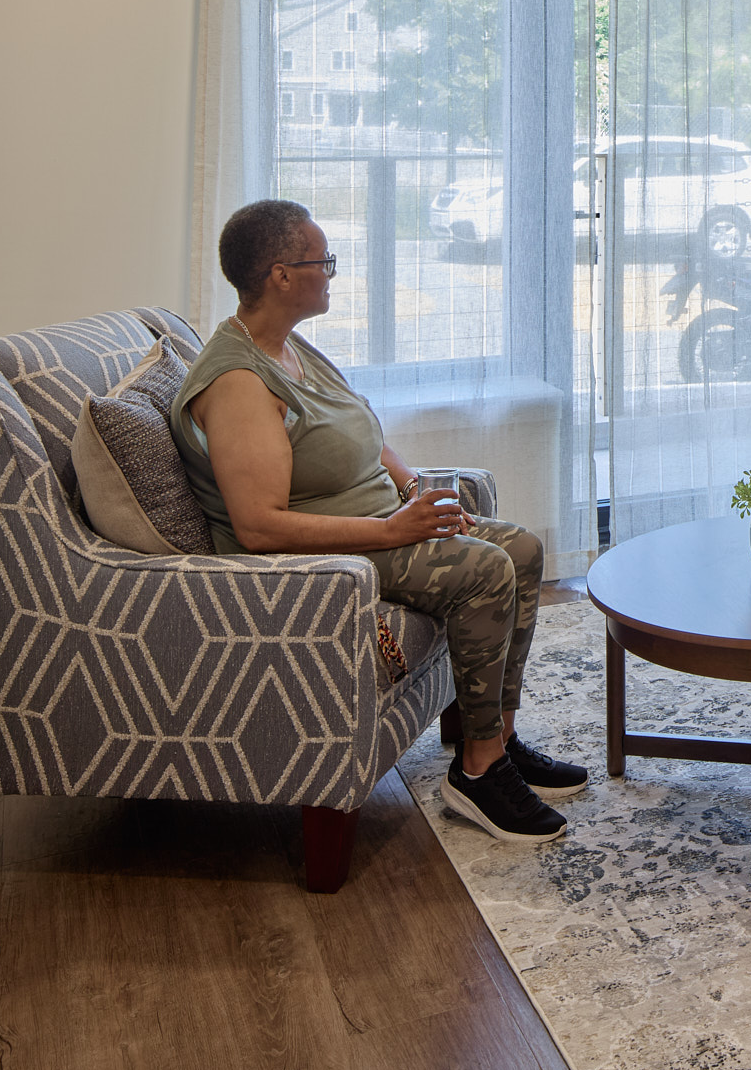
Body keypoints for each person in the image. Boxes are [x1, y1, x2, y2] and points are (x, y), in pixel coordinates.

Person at [171, 199, 585, 846]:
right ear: (281, 275)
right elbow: (258, 528)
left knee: (524, 549)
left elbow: (361, 430)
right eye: (324, 261)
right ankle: (477, 773)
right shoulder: (239, 384)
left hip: (379, 521)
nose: (332, 273)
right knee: (485, 569)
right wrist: (393, 531)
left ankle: (498, 739)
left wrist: (414, 488)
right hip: (324, 555)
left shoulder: (288, 347)